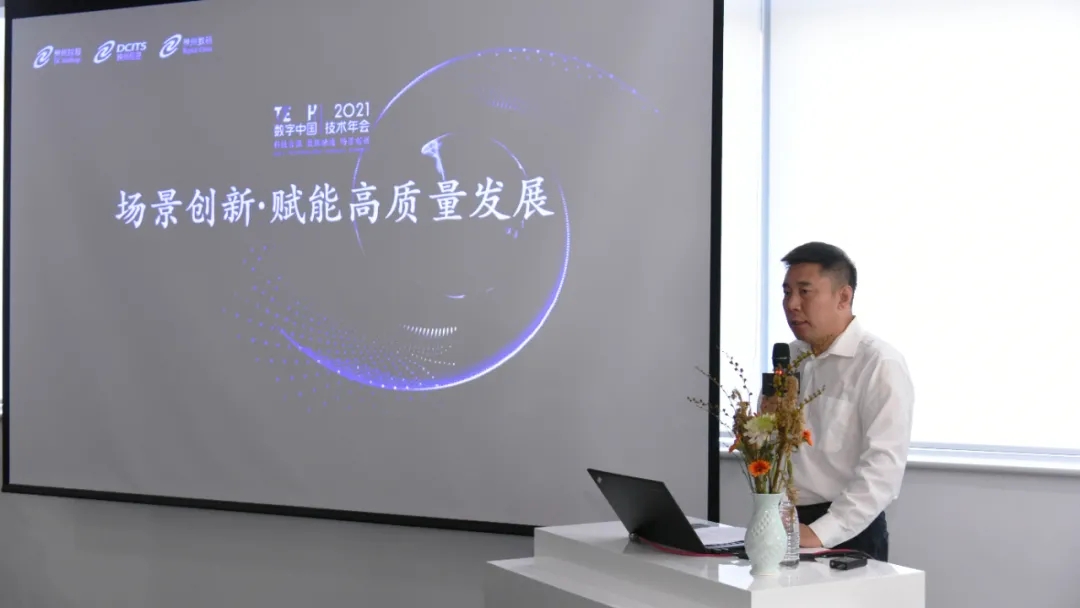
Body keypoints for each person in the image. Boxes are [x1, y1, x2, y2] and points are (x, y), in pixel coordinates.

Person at [768, 241, 914, 562]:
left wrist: (822, 531)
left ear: (843, 297)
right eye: (786, 292)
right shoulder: (791, 357)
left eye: (805, 292)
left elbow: (883, 469)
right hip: (787, 521)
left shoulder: (879, 363)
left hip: (846, 531)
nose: (791, 304)